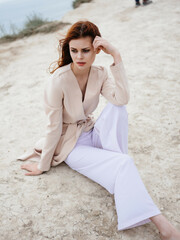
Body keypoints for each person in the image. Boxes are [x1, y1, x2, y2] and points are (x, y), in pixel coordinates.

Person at [19, 21, 180, 239]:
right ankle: (165, 228)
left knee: (118, 108)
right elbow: (53, 127)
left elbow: (122, 99)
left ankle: (116, 165)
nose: (79, 57)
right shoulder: (58, 81)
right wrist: (43, 164)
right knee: (125, 163)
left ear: (97, 49)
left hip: (91, 131)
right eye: (74, 51)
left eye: (85, 50)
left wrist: (117, 56)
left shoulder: (100, 73)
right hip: (72, 145)